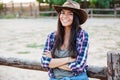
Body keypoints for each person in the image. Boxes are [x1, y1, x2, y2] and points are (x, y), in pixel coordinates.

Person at [41, 0, 89, 80]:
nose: (65, 16)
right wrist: (68, 60)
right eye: (63, 13)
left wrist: (53, 61)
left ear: (76, 17)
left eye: (70, 14)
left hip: (76, 78)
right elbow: (44, 63)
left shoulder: (82, 35)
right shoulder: (52, 36)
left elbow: (79, 66)